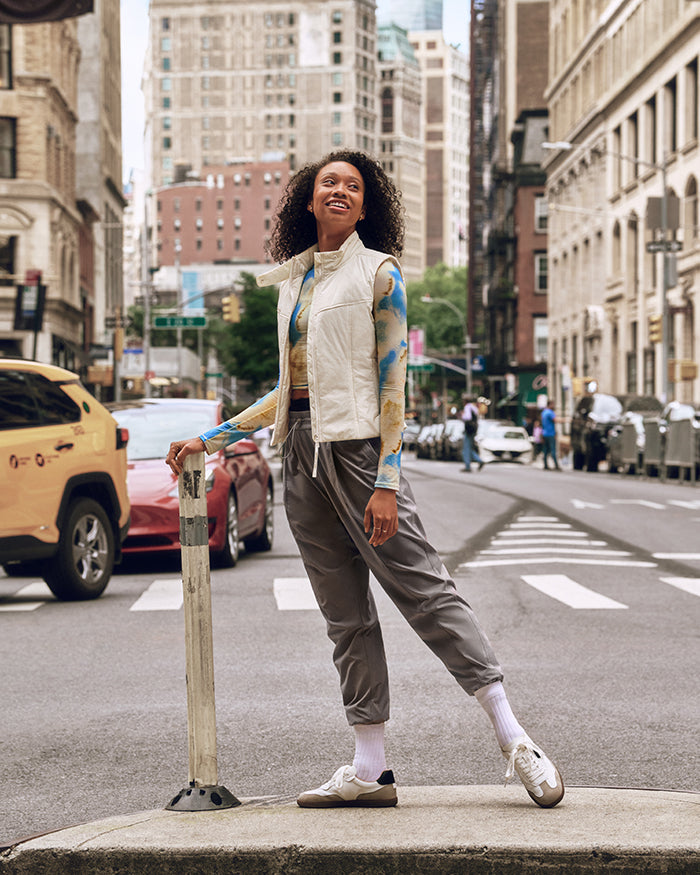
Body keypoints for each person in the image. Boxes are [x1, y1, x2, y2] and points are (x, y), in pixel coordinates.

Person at [165, 150, 564, 811]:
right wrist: (211, 437)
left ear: (366, 203)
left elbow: (392, 382)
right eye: (330, 183)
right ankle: (371, 768)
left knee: (425, 592)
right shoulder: (294, 283)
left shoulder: (380, 274)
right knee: (344, 617)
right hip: (301, 461)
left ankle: (513, 735)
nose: (341, 191)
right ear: (310, 201)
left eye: (353, 185)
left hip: (358, 457)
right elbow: (288, 390)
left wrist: (387, 479)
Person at [461, 395, 484, 472]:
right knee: (470, 447)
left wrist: (462, 416)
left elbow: (468, 417)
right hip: (474, 429)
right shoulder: (473, 407)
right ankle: (479, 460)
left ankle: (468, 466)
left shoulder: (467, 407)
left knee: (466, 449)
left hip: (469, 430)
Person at [541, 399, 560, 470]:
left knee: (545, 450)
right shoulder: (550, 412)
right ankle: (556, 465)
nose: (554, 406)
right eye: (553, 404)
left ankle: (545, 465)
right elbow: (555, 420)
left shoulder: (544, 412)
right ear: (550, 405)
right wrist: (566, 420)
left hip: (544, 433)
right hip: (550, 433)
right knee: (553, 450)